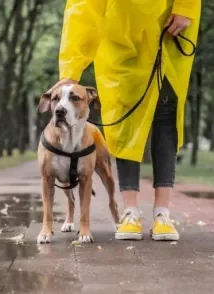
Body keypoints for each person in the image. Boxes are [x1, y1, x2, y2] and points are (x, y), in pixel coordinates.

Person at [47, 0, 201, 241]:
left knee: (165, 117)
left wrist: (186, 7)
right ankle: (130, 212)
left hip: (169, 27)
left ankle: (163, 213)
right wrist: (71, 70)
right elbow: (82, 8)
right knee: (124, 124)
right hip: (120, 39)